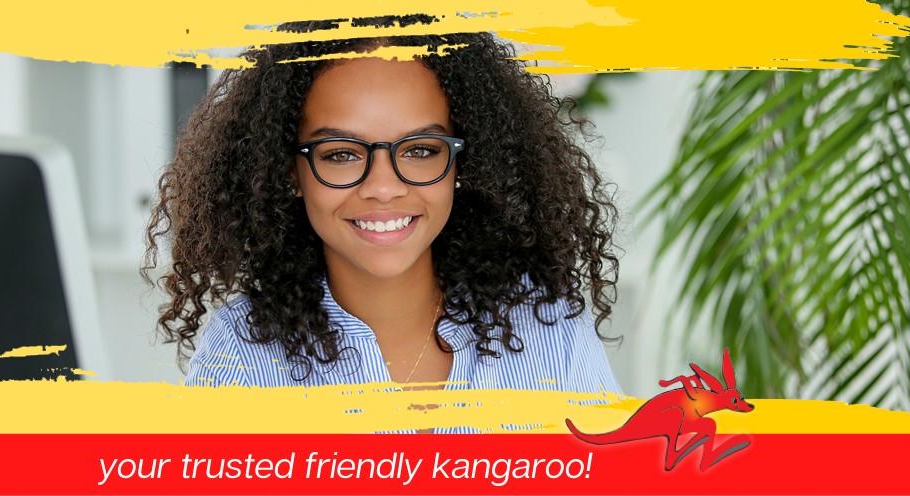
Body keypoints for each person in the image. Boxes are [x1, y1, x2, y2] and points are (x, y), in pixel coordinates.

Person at [144, 18, 624, 399]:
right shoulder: (243, 357)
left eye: (419, 149)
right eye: (340, 154)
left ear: (462, 162)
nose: (383, 188)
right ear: (288, 171)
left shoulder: (548, 326)